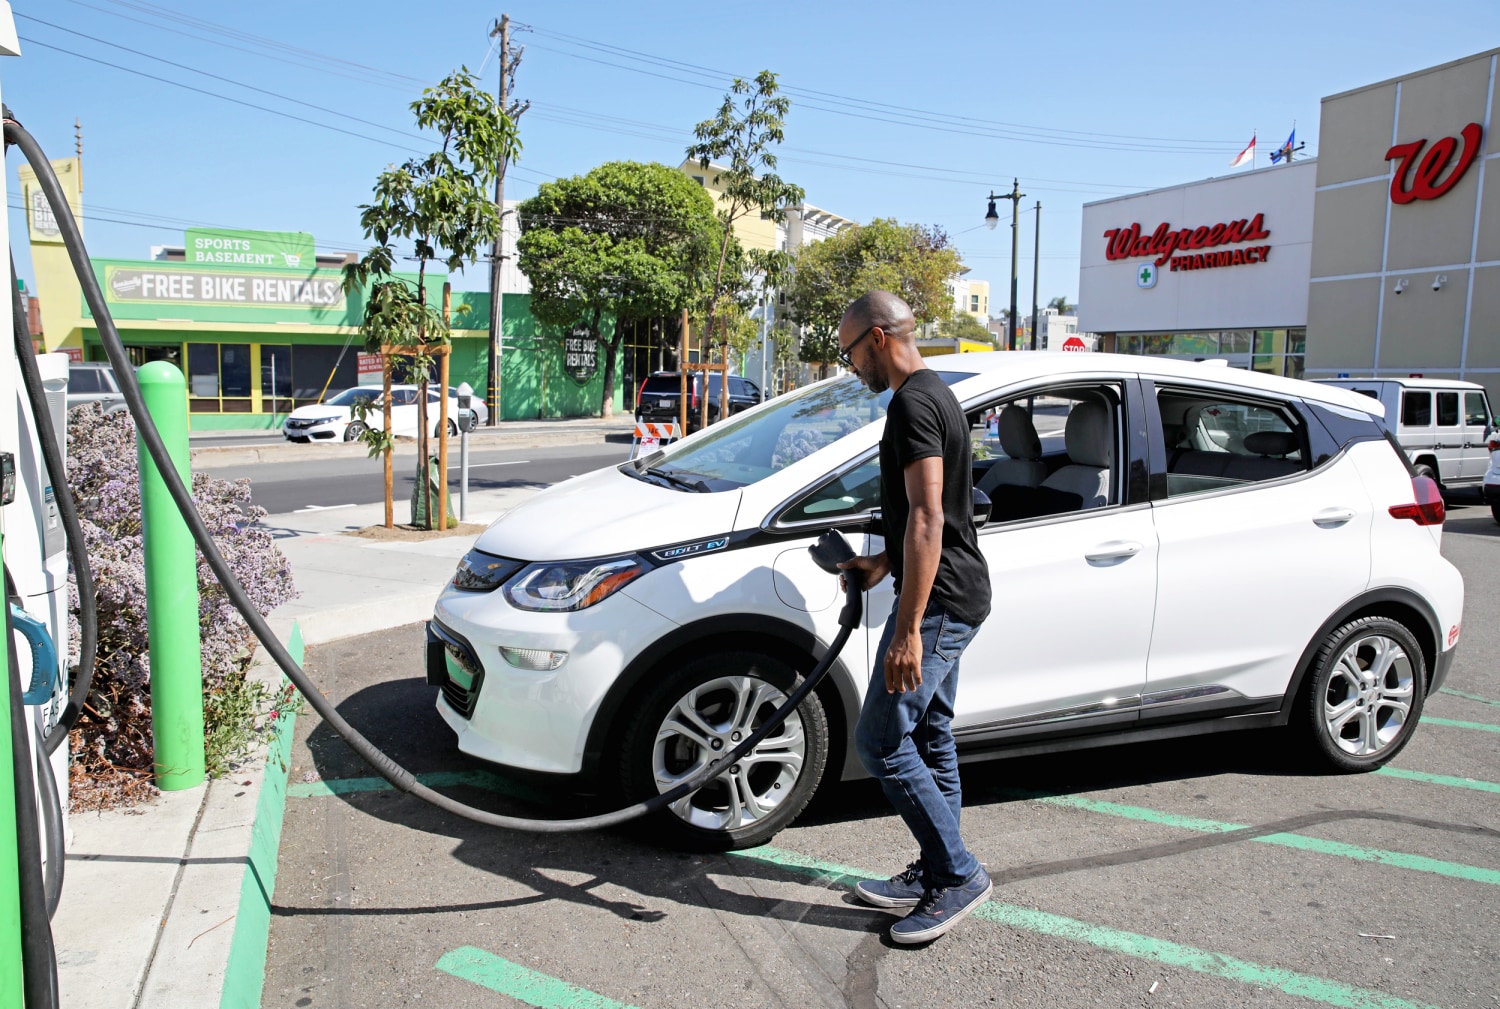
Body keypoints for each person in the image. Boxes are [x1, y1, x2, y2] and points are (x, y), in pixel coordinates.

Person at [834, 290, 993, 945]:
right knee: (931, 736)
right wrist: (877, 568)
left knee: (880, 741)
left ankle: (958, 875)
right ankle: (937, 866)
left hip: (940, 604)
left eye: (849, 352)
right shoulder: (936, 391)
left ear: (875, 336)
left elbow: (929, 517)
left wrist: (906, 630)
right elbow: (939, 513)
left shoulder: (911, 404)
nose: (850, 367)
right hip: (955, 589)